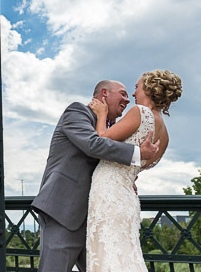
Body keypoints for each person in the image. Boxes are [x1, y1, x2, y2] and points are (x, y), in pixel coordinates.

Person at [32, 80, 160, 272]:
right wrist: (138, 154)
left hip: (97, 218)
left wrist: (125, 178)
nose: (128, 99)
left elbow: (105, 161)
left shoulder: (112, 128)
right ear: (104, 93)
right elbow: (93, 145)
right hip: (64, 211)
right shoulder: (77, 112)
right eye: (123, 94)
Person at [85, 69, 182, 272]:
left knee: (107, 253)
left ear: (149, 89)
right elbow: (141, 164)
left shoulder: (140, 112)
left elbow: (100, 140)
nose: (134, 93)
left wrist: (101, 114)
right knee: (125, 254)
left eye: (137, 87)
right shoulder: (164, 132)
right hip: (127, 195)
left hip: (109, 191)